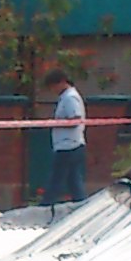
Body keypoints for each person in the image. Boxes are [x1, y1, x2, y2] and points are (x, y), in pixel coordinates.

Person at [42, 66, 88, 206]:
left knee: (56, 180)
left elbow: (75, 120)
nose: (53, 90)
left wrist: (55, 123)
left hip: (68, 146)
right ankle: (81, 206)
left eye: (53, 86)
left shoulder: (70, 98)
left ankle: (46, 207)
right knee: (73, 181)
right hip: (69, 145)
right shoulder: (66, 97)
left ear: (62, 82)